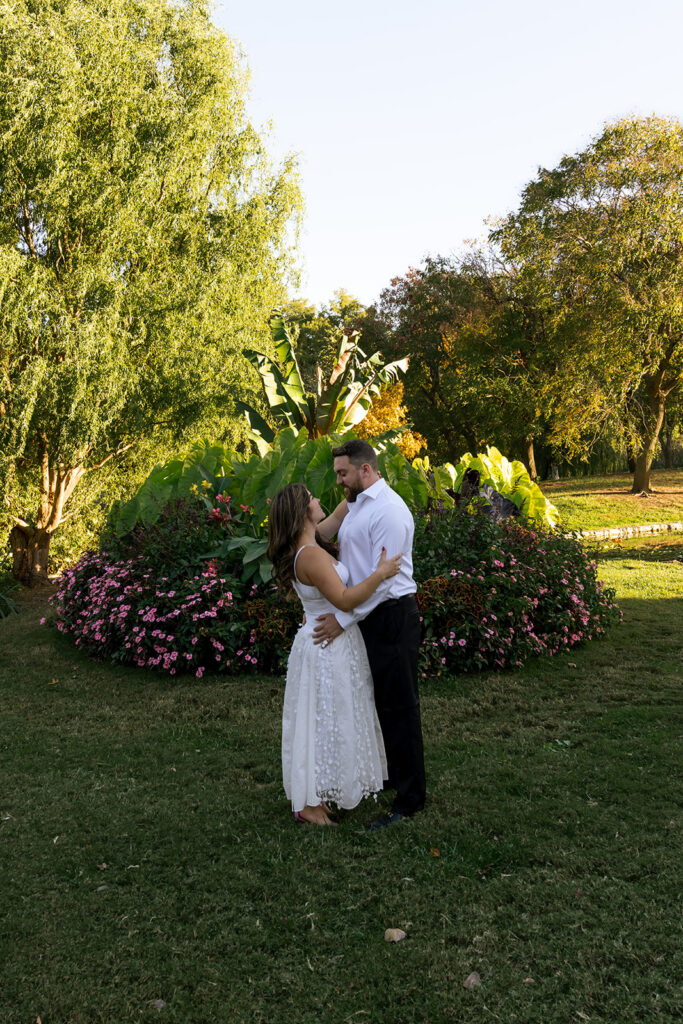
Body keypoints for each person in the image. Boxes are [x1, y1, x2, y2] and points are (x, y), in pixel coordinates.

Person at [267, 482, 402, 826]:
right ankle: (309, 805)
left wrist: (363, 481)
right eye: (311, 498)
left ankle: (317, 795)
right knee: (322, 722)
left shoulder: (311, 540)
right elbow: (343, 599)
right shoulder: (310, 555)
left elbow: (342, 511)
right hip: (325, 646)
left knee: (327, 720)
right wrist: (380, 574)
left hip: (328, 640)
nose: (318, 499)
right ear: (303, 513)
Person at [313, 439, 426, 830]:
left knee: (401, 708)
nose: (338, 481)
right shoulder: (357, 503)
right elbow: (322, 536)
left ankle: (410, 800)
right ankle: (392, 775)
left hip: (391, 615)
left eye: (343, 473)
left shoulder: (390, 511)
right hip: (368, 615)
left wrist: (344, 619)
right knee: (380, 703)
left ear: (365, 469)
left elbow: (383, 581)